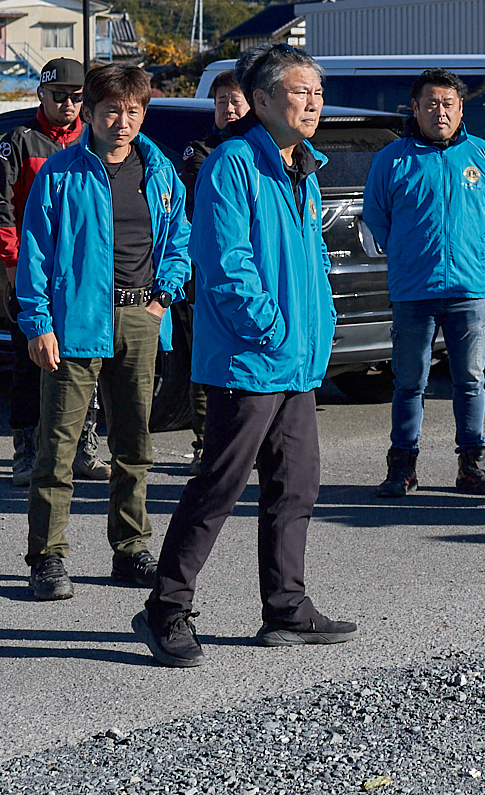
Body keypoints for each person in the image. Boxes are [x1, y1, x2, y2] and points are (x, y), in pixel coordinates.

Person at [138, 47, 357, 665]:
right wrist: (272, 329)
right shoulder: (233, 164)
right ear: (261, 100)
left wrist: (317, 328)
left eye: (318, 92)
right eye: (300, 91)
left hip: (294, 363)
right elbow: (226, 264)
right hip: (249, 359)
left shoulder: (301, 165)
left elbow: (311, 262)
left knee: (296, 486)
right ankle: (165, 608)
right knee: (219, 486)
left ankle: (286, 608)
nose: (313, 102)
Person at [13, 61, 189, 599]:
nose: (123, 121)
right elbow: (35, 253)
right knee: (57, 447)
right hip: (75, 323)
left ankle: (131, 548)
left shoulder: (159, 171)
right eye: (112, 110)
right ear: (89, 113)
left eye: (133, 110)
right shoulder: (60, 172)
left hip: (140, 318)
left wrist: (162, 298)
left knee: (134, 444)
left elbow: (179, 240)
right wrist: (38, 323)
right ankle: (47, 557)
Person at [362, 67, 485, 498]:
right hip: (414, 289)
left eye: (448, 104)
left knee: (471, 380)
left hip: (468, 289)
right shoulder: (392, 159)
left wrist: (472, 248)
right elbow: (377, 216)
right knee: (409, 382)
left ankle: (472, 464)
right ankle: (402, 466)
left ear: (461, 108)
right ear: (415, 108)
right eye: (431, 104)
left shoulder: (483, 156)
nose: (440, 112)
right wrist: (407, 251)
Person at [0, 59, 87, 481]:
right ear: (41, 95)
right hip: (34, 273)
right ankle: (26, 451)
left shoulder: (93, 137)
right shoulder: (19, 141)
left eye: (77, 97)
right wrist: (13, 266)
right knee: (28, 364)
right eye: (59, 96)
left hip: (84, 273)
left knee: (85, 360)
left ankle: (83, 447)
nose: (69, 104)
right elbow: (0, 208)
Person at [171, 72, 251, 456]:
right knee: (206, 360)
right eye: (222, 102)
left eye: (236, 101)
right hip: (205, 277)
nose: (229, 109)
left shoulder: (267, 151)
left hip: (254, 275)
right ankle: (206, 444)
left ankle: (245, 443)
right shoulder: (201, 151)